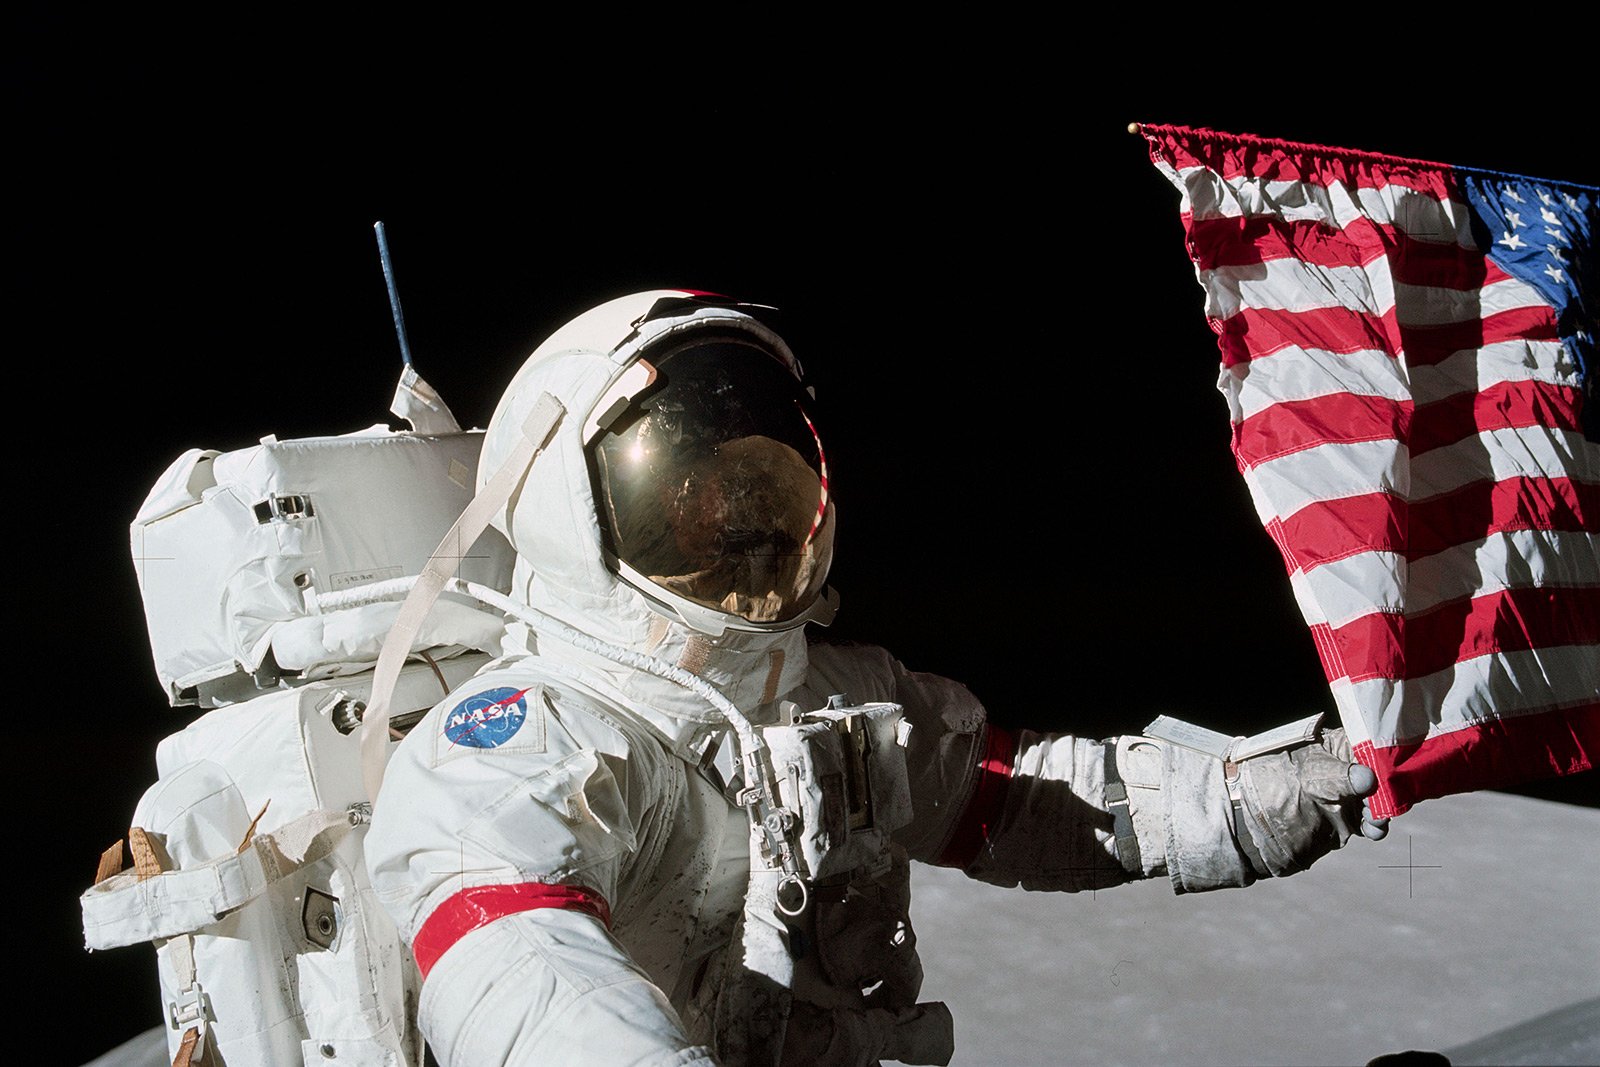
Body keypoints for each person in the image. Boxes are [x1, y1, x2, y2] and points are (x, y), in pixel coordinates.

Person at [363, 290, 1387, 1067]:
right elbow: (526, 979)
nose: (746, 533)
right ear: (575, 515)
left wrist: (1249, 800)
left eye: (758, 489)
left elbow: (1025, 798)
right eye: (690, 506)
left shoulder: (828, 693)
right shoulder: (519, 744)